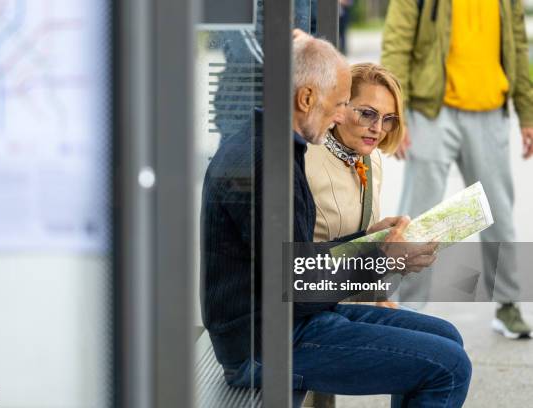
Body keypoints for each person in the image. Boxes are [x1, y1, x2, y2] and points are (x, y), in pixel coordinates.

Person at [201, 32, 472, 406]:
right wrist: (384, 257)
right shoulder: (268, 164)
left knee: (446, 337)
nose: (341, 115)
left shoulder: (275, 145)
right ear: (306, 98)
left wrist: (370, 238)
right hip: (263, 344)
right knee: (449, 366)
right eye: (341, 103)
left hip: (286, 323)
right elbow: (299, 285)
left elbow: (297, 265)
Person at [381, 0, 533, 338]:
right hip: (433, 111)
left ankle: (507, 304)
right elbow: (397, 41)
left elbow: (518, 47)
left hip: (490, 111)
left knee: (499, 212)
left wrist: (527, 113)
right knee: (420, 217)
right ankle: (408, 309)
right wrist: (397, 112)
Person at [306, 62, 404, 308]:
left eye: (388, 119)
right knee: (444, 346)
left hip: (360, 303)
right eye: (367, 114)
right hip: (318, 309)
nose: (378, 129)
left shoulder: (372, 160)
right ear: (340, 107)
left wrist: (380, 297)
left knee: (448, 335)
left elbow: (364, 251)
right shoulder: (304, 160)